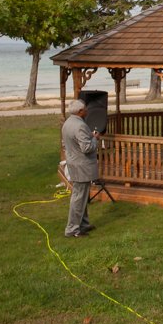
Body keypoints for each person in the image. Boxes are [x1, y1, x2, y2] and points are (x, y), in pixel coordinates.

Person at [62, 99, 100, 238]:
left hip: (74, 163)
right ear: (80, 112)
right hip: (81, 166)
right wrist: (95, 138)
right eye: (85, 109)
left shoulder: (67, 123)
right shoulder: (79, 126)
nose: (87, 111)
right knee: (78, 197)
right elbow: (87, 148)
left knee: (82, 196)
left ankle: (83, 224)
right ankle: (72, 229)